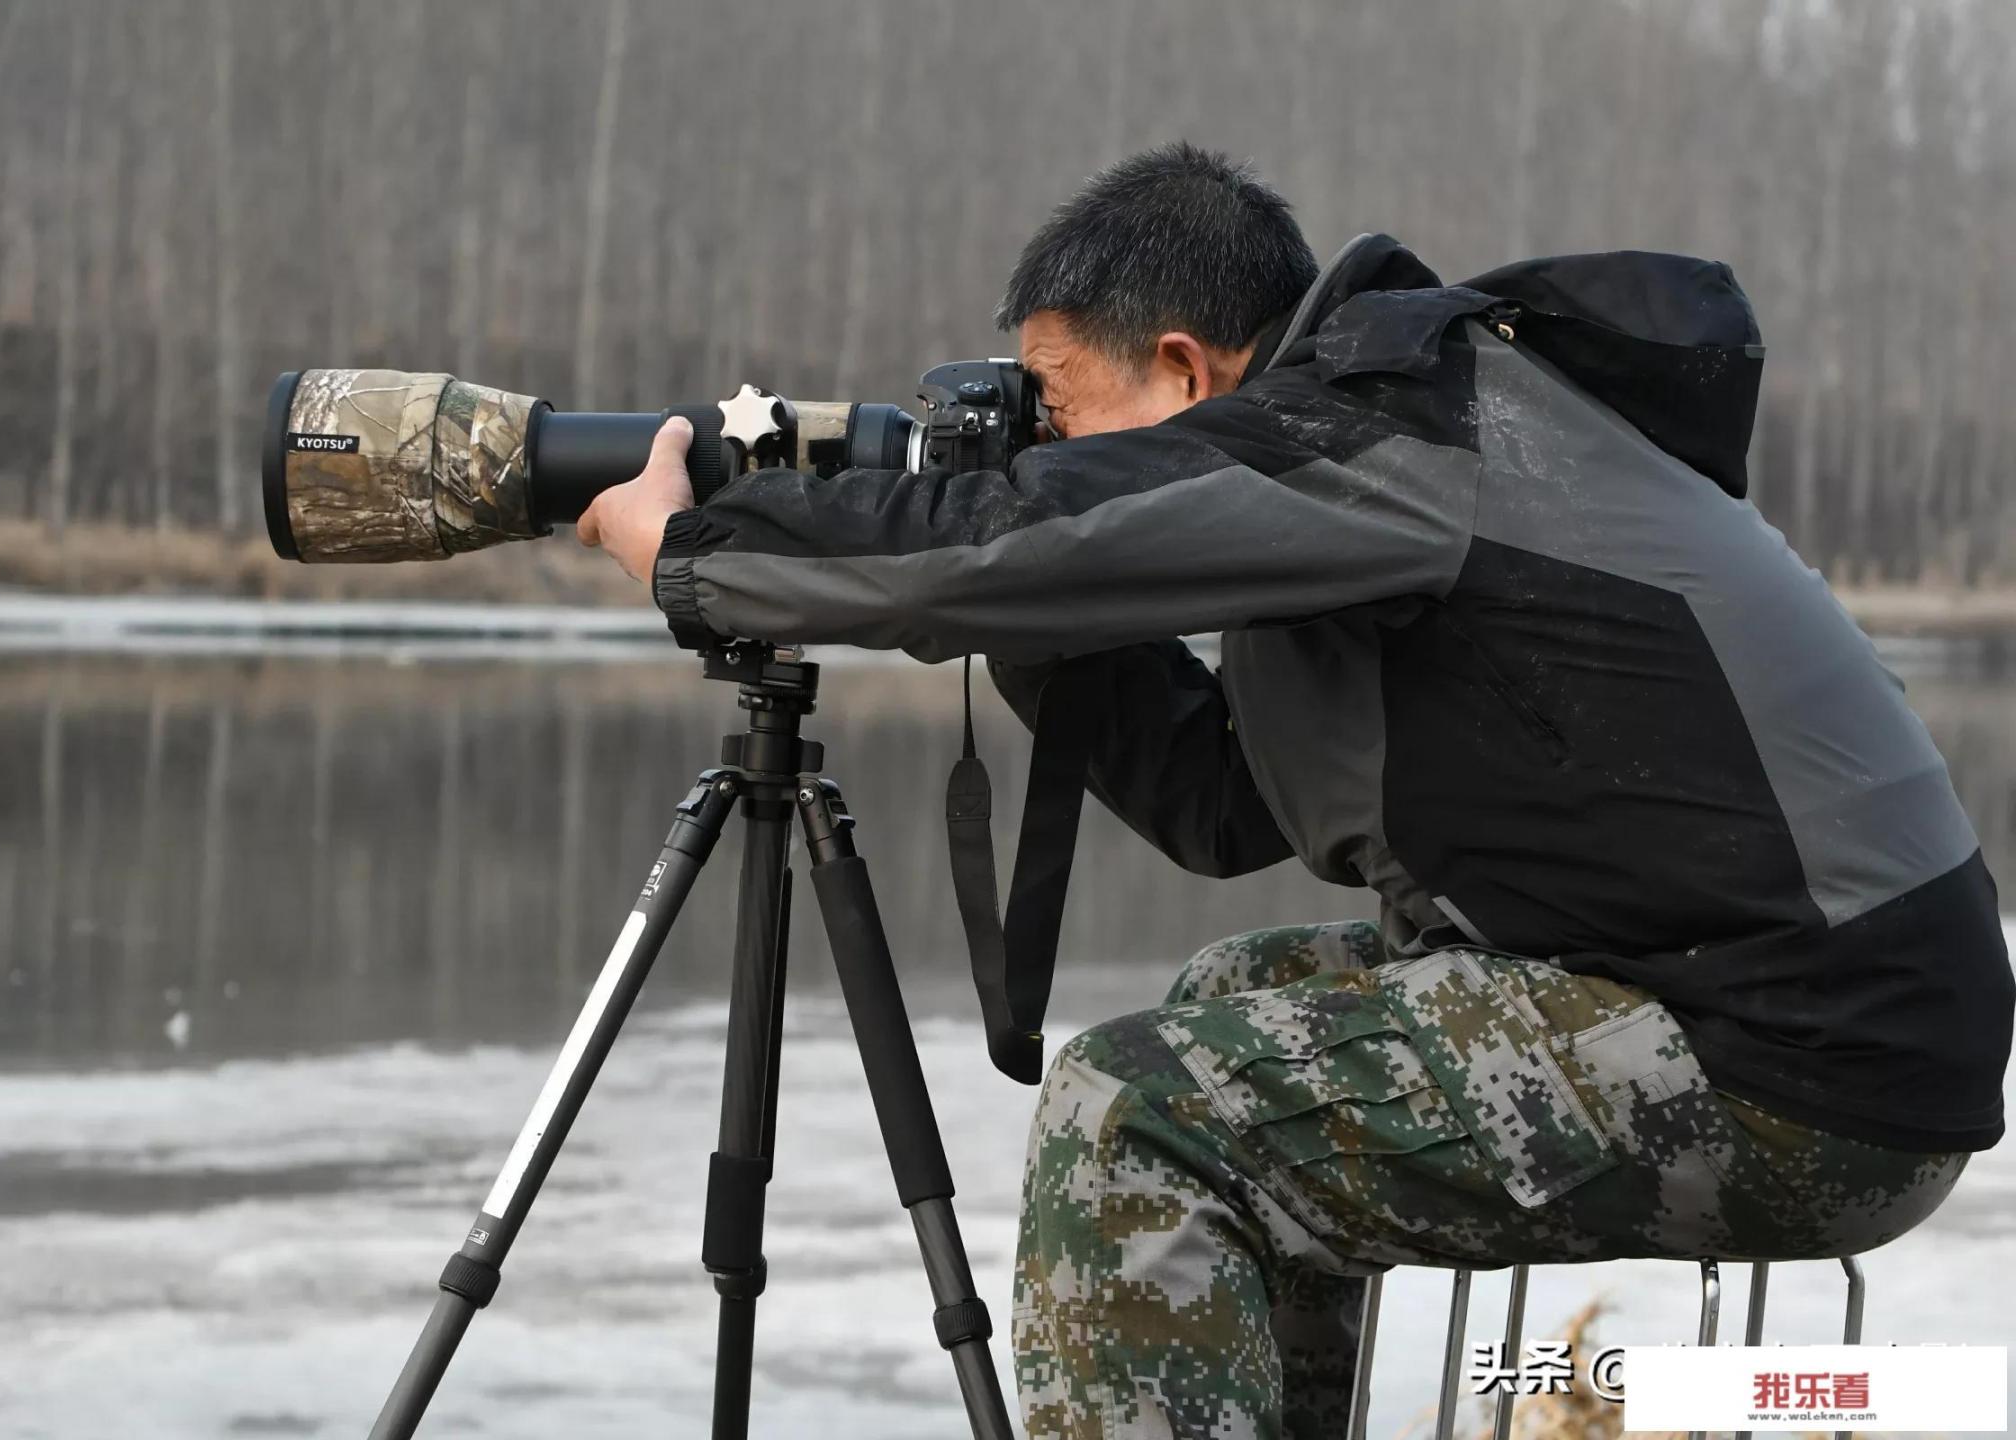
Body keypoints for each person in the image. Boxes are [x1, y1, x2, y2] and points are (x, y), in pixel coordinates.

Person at [576, 142, 2012, 1439]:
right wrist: (1032, 611)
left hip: (1797, 1067)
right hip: (1794, 1019)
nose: (1049, 449)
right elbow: (1219, 802)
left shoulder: (1387, 433)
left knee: (1129, 1111)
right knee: (1222, 1008)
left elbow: (1005, 544)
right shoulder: (1392, 467)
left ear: (1191, 370)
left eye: (1063, 407)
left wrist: (696, 554)